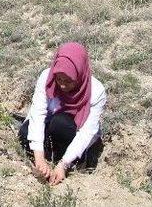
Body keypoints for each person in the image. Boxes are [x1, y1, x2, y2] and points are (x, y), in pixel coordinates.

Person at [18, 42, 106, 186]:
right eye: (59, 79)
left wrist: (63, 164)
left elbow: (87, 132)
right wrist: (39, 158)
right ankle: (47, 161)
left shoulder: (96, 91)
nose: (63, 85)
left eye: (69, 81)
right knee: (25, 131)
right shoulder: (47, 77)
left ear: (79, 75)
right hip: (49, 126)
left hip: (73, 133)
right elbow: (38, 114)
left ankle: (73, 163)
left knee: (60, 123)